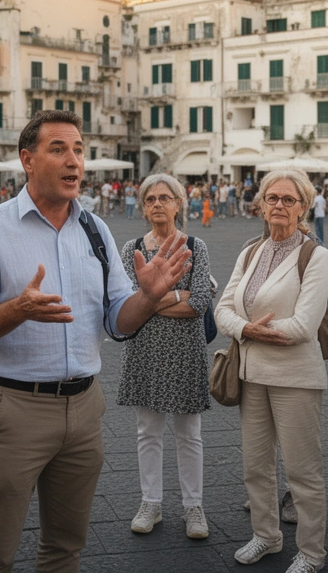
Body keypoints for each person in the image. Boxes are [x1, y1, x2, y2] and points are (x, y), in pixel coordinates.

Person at [0, 110, 190, 573]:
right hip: (15, 410)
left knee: (66, 549)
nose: (74, 161)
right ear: (27, 159)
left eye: (79, 150)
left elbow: (118, 320)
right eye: (58, 149)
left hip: (84, 410)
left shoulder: (95, 229)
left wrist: (148, 297)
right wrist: (17, 310)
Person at [214, 170, 328, 573]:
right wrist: (247, 329)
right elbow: (222, 309)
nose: (279, 205)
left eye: (288, 199)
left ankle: (312, 553)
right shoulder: (250, 251)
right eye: (272, 198)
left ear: (304, 207)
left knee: (302, 471)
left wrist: (249, 329)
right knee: (255, 465)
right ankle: (265, 535)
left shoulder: (316, 256)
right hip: (252, 373)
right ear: (260, 204)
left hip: (296, 377)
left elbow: (303, 326)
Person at [117, 174, 213, 540]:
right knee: (148, 431)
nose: (157, 203)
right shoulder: (132, 249)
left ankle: (194, 506)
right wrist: (177, 297)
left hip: (186, 351)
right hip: (145, 350)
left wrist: (155, 300)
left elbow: (201, 301)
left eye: (165, 197)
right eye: (150, 199)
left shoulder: (196, 246)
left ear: (178, 204)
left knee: (190, 433)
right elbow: (129, 301)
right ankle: (151, 502)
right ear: (144, 207)